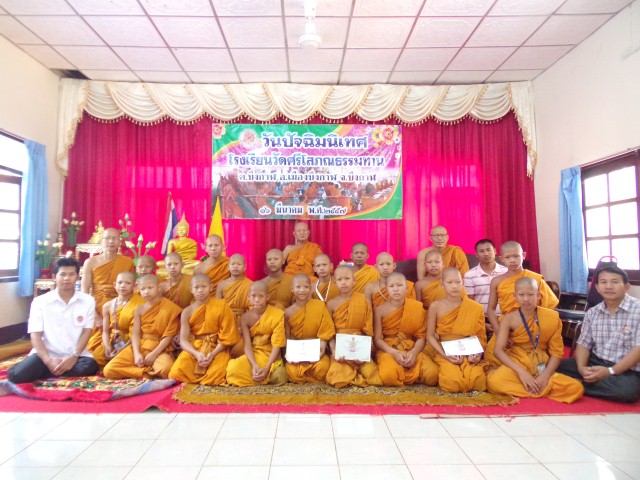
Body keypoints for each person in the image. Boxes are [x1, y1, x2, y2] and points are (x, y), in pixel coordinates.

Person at [487, 277, 584, 403]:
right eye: (521, 295)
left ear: (538, 295)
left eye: (530, 294)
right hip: (517, 362)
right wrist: (522, 373)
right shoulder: (509, 318)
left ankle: (533, 387)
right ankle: (540, 389)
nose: (526, 299)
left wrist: (545, 376)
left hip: (541, 364)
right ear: (515, 296)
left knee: (576, 388)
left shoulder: (551, 317)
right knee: (493, 382)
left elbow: (557, 353)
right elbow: (498, 351)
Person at [8, 258, 99, 383]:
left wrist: (74, 356)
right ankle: (55, 369)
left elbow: (86, 332)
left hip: (76, 356)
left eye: (71, 274)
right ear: (54, 277)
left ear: (77, 277)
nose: (67, 278)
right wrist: (48, 361)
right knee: (16, 375)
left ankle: (46, 372)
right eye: (62, 274)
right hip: (46, 355)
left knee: (91, 366)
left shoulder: (87, 301)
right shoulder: (40, 302)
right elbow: (35, 335)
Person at [557, 266, 640, 403]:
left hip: (627, 368)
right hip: (595, 361)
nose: (608, 286)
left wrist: (610, 371)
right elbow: (583, 344)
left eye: (614, 282)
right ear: (597, 287)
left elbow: (638, 350)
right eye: (603, 282)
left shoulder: (637, 310)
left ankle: (577, 384)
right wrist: (582, 368)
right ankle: (587, 381)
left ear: (626, 287)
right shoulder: (593, 312)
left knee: (626, 392)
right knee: (553, 367)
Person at [103, 275, 181, 380]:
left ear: (158, 287)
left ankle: (139, 372)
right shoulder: (139, 309)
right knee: (109, 370)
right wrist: (136, 354)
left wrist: (154, 354)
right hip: (140, 345)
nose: (146, 292)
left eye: (150, 288)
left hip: (160, 349)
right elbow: (135, 334)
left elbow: (169, 335)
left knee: (165, 369)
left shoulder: (171, 308)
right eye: (143, 289)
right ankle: (147, 373)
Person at [168, 274, 239, 385]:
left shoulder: (222, 306)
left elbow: (227, 336)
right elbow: (183, 340)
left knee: (215, 377)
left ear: (210, 287)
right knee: (176, 373)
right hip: (195, 347)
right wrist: (196, 354)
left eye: (203, 286)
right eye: (196, 287)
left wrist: (213, 354)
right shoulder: (187, 311)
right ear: (191, 289)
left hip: (217, 347)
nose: (200, 290)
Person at [426, 268, 487, 393]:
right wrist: (444, 354)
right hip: (444, 349)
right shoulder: (435, 306)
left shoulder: (474, 307)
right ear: (442, 285)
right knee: (452, 383)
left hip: (468, 351)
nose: (454, 286)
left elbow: (480, 336)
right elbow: (430, 336)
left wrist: (477, 353)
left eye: (458, 282)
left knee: (478, 382)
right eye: (450, 282)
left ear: (462, 283)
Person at [373, 272, 438, 386]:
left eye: (399, 285)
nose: (396, 289)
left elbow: (421, 337)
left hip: (411, 347)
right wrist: (394, 352)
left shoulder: (416, 307)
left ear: (407, 288)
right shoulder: (379, 310)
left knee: (433, 375)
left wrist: (414, 353)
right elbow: (377, 339)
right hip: (389, 349)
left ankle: (407, 373)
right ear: (386, 289)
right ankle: (408, 375)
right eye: (391, 286)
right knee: (389, 376)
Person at [325, 265, 382, 388]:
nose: (343, 282)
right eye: (340, 279)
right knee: (337, 379)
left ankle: (355, 374)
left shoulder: (363, 300)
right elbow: (329, 332)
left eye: (347, 279)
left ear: (354, 281)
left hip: (360, 347)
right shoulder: (331, 304)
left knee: (374, 378)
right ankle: (352, 375)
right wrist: (334, 350)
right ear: (335, 282)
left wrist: (364, 353)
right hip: (340, 349)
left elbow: (368, 330)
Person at [487, 241, 559, 335]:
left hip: (534, 327)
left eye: (516, 256)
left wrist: (541, 326)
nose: (512, 260)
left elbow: (551, 306)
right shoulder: (496, 281)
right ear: (501, 259)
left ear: (524, 255)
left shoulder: (535, 279)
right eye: (508, 257)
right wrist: (498, 330)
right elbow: (491, 309)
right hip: (506, 327)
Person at [81, 227, 135, 351]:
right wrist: (95, 316)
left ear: (119, 242)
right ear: (101, 241)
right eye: (107, 238)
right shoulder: (90, 262)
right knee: (93, 347)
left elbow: (131, 289)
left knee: (118, 339)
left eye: (114, 238)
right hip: (97, 306)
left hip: (119, 306)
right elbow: (84, 292)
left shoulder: (127, 262)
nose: (111, 241)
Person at [226, 281, 288, 386]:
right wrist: (254, 365)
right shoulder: (245, 318)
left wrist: (267, 368)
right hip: (254, 355)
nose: (257, 300)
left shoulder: (277, 315)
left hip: (271, 356)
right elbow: (247, 345)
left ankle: (262, 375)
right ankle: (260, 376)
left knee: (280, 376)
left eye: (261, 296)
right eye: (253, 296)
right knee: (232, 369)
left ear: (267, 297)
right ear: (248, 297)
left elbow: (277, 345)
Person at [284, 274, 336, 383]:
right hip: (297, 350)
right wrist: (290, 355)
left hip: (316, 348)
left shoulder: (319, 306)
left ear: (311, 288)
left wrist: (321, 351)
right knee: (291, 371)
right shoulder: (288, 312)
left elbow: (325, 331)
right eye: (298, 287)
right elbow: (288, 338)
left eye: (306, 287)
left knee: (322, 367)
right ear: (292, 289)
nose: (302, 290)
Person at [93, 271, 144, 369]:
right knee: (95, 359)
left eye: (128, 283)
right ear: (114, 285)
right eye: (120, 282)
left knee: (118, 361)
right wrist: (107, 346)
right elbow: (105, 331)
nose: (123, 286)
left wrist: (122, 349)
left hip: (131, 341)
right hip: (113, 339)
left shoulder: (140, 304)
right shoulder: (107, 306)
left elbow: (138, 333)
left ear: (135, 286)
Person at [216, 253, 253, 357]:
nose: (235, 266)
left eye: (239, 264)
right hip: (225, 321)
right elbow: (217, 307)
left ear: (245, 267)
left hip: (243, 321)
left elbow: (253, 309)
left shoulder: (250, 285)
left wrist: (243, 327)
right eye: (233, 264)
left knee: (239, 348)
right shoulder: (221, 285)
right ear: (228, 267)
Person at [463, 239, 508, 315]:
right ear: (476, 254)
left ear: (495, 251)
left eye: (488, 250)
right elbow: (470, 302)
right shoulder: (469, 275)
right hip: (481, 318)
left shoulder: (506, 272)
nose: (486, 254)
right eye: (481, 251)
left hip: (505, 316)